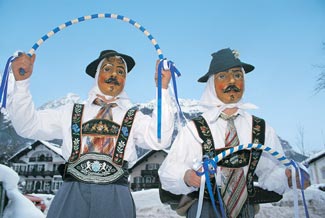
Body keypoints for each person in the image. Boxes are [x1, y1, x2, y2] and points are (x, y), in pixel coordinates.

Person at [8, 49, 175, 218]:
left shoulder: (134, 117)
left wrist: (163, 89)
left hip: (116, 194)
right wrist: (22, 84)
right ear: (96, 75)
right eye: (108, 68)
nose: (114, 75)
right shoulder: (70, 112)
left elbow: (159, 139)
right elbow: (27, 125)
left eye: (120, 71)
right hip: (72, 193)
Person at [158, 48, 311, 218]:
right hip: (204, 210)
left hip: (245, 210)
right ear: (211, 84)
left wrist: (288, 177)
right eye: (223, 76)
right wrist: (186, 177)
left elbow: (270, 173)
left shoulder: (260, 128)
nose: (232, 81)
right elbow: (168, 171)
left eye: (238, 75)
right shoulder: (195, 129)